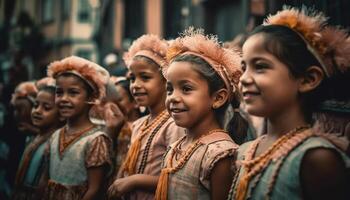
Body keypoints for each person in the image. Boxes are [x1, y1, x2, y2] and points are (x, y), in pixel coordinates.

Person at [228, 7, 350, 200]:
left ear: (308, 79)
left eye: (260, 67)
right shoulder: (246, 151)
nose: (243, 78)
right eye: (244, 68)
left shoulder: (316, 158)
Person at [154, 28, 244, 200]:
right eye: (170, 89)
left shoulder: (220, 153)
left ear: (218, 98)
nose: (173, 98)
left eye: (186, 89)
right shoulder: (177, 146)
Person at [108, 34, 184, 200]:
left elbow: (177, 180)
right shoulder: (139, 124)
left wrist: (135, 181)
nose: (135, 85)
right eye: (132, 78)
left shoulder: (174, 124)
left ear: (166, 81)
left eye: (145, 77)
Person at [44, 56, 113, 200]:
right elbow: (44, 181)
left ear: (91, 97)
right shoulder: (55, 135)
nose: (64, 99)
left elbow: (95, 189)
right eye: (59, 92)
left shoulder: (96, 140)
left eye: (73, 92)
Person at [12, 78, 62, 200]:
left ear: (61, 115)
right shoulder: (34, 137)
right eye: (35, 105)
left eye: (46, 108)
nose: (37, 111)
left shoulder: (55, 142)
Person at [109, 76, 141, 176]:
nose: (114, 104)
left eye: (119, 100)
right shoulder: (113, 124)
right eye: (112, 100)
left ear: (135, 102)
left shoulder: (140, 127)